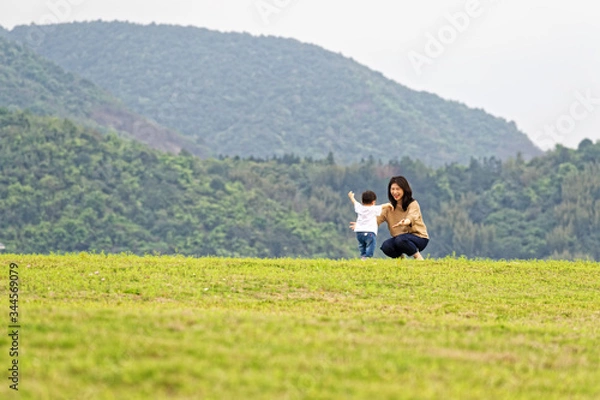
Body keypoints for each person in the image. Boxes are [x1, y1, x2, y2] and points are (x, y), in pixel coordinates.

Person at [377, 176, 429, 260]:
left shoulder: (413, 204)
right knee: (386, 246)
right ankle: (401, 261)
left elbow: (411, 216)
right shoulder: (389, 207)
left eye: (398, 189)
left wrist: (405, 222)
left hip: (419, 237)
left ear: (404, 190)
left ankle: (419, 259)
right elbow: (376, 220)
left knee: (400, 239)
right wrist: (362, 225)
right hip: (400, 239)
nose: (395, 192)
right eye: (392, 189)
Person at [348, 190, 392, 260]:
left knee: (362, 245)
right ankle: (368, 257)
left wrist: (351, 197)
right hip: (369, 232)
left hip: (359, 232)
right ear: (373, 202)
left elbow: (355, 202)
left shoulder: (359, 207)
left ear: (362, 201)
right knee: (371, 245)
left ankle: (363, 256)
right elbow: (382, 206)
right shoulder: (373, 208)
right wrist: (389, 204)